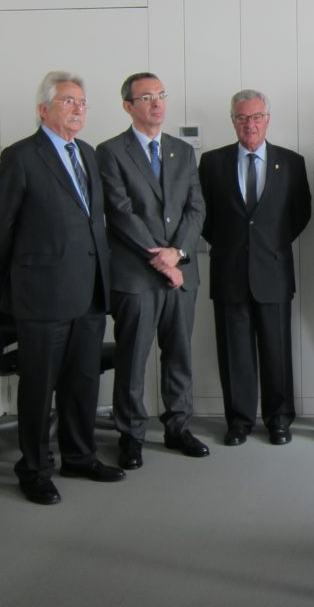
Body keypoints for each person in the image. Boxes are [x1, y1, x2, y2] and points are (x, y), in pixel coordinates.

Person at [0, 71, 125, 505]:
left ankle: (79, 456)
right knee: (39, 386)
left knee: (82, 382)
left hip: (89, 291)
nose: (78, 109)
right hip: (42, 295)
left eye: (82, 102)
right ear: (43, 109)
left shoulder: (87, 152)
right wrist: (26, 276)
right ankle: (34, 468)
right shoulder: (21, 157)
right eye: (68, 101)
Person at [96, 72, 208, 469]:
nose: (157, 103)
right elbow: (120, 212)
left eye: (161, 95)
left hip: (180, 273)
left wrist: (177, 253)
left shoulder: (182, 151)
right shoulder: (110, 151)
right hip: (136, 275)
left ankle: (178, 426)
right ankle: (131, 435)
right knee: (133, 358)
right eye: (146, 97)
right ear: (128, 106)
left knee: (179, 354)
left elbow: (196, 208)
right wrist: (160, 258)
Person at [199, 89, 311, 446]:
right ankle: (239, 421)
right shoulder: (212, 162)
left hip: (273, 270)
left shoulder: (291, 162)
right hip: (228, 269)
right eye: (242, 117)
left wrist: (269, 246)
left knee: (277, 350)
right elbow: (203, 217)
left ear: (268, 119)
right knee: (234, 353)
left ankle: (279, 420)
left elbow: (300, 213)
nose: (250, 124)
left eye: (257, 117)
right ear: (233, 120)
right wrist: (231, 245)